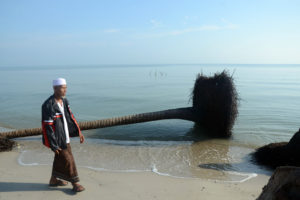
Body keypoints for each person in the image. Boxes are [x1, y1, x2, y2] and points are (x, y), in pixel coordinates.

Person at [41, 78, 85, 192]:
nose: (65, 90)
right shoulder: (48, 105)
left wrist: (78, 132)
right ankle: (75, 183)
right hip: (57, 139)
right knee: (68, 159)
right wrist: (53, 145)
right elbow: (47, 126)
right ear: (55, 88)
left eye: (66, 87)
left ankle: (53, 179)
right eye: (62, 88)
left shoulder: (64, 101)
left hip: (65, 137)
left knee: (59, 159)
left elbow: (70, 117)